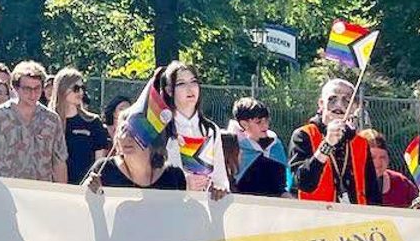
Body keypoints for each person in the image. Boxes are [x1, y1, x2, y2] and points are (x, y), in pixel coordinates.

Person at [288, 77, 378, 204]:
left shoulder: (360, 143)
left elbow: (372, 192)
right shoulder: (303, 135)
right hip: (315, 215)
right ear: (321, 104)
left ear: (354, 107)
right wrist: (327, 145)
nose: (339, 105)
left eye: (346, 100)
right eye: (332, 99)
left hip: (353, 217)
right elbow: (303, 183)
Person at [0, 61, 67, 182]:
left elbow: (59, 162)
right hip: (4, 189)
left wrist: (60, 195)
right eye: (27, 89)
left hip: (39, 191)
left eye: (37, 88)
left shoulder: (51, 120)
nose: (32, 94)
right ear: (15, 88)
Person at [157, 61, 228, 194]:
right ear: (169, 90)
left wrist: (219, 188)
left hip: (203, 209)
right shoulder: (160, 127)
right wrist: (184, 182)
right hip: (169, 206)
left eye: (193, 82)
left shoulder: (210, 129)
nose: (190, 89)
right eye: (181, 83)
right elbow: (151, 175)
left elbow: (220, 178)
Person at [84, 120, 185, 192]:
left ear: (151, 137)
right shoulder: (104, 170)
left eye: (134, 132)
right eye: (123, 130)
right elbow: (78, 208)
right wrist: (87, 190)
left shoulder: (174, 176)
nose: (126, 137)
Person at [51, 68, 109, 184]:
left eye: (83, 88)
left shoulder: (93, 122)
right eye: (76, 88)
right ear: (62, 89)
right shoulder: (49, 121)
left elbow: (99, 163)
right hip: (55, 189)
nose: (81, 92)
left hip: (85, 187)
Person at [227, 97, 289, 197]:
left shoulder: (276, 145)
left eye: (266, 120)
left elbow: (281, 187)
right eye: (259, 122)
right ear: (244, 124)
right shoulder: (233, 148)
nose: (265, 126)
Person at [362, 129, 420, 208]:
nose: (378, 163)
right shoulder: (350, 184)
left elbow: (417, 212)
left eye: (382, 157)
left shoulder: (401, 183)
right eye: (372, 157)